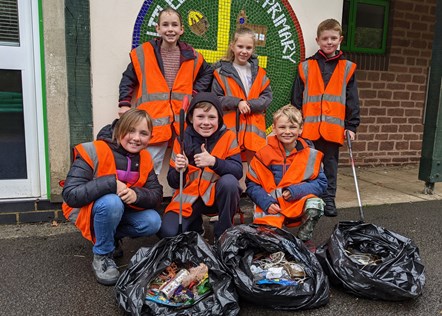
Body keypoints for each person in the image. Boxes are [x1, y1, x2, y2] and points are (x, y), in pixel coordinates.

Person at [62, 109, 163, 286]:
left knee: (153, 221)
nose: (136, 138)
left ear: (150, 137)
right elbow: (71, 195)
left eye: (143, 133)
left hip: (118, 212)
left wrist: (136, 194)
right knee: (111, 201)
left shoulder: (145, 158)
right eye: (131, 130)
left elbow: (156, 195)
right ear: (119, 130)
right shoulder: (94, 150)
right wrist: (112, 184)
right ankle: (102, 254)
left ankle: (109, 238)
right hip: (89, 212)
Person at [118, 7, 213, 175]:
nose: (170, 29)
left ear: (181, 29)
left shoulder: (192, 55)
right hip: (153, 121)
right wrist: (124, 104)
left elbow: (207, 72)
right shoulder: (143, 53)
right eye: (165, 25)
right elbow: (128, 79)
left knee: (184, 168)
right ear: (158, 28)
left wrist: (195, 94)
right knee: (149, 167)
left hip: (182, 120)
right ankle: (146, 199)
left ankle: (183, 199)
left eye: (175, 25)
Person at [291, 18, 360, 217]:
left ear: (340, 39)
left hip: (333, 128)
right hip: (309, 129)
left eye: (333, 38)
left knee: (330, 164)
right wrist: (296, 125)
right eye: (325, 38)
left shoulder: (347, 68)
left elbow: (352, 100)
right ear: (318, 40)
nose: (329, 42)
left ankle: (329, 199)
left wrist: (352, 126)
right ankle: (309, 198)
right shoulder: (305, 66)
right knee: (308, 164)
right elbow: (296, 98)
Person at [159, 92, 243, 240]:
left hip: (216, 198)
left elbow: (237, 171)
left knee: (230, 182)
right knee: (168, 234)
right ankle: (195, 226)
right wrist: (181, 170)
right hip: (189, 200)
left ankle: (224, 234)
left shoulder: (228, 136)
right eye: (200, 117)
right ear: (191, 118)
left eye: (212, 117)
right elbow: (172, 182)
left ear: (219, 119)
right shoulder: (182, 140)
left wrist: (213, 162)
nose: (206, 122)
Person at [246, 105, 327, 251]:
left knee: (316, 204)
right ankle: (276, 236)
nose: (287, 131)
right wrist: (266, 202)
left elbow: (321, 183)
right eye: (282, 127)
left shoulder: (311, 155)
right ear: (274, 129)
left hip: (296, 201)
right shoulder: (263, 154)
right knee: (269, 247)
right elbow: (252, 184)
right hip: (272, 204)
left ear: (300, 129)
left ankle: (304, 238)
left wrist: (296, 191)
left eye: (292, 127)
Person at [212, 27, 272, 163]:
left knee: (254, 170)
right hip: (231, 130)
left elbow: (267, 97)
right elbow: (216, 99)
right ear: (232, 46)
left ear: (253, 49)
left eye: (248, 48)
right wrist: (237, 102)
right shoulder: (220, 72)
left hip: (253, 132)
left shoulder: (260, 73)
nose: (244, 51)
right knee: (231, 168)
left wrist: (250, 105)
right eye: (240, 46)